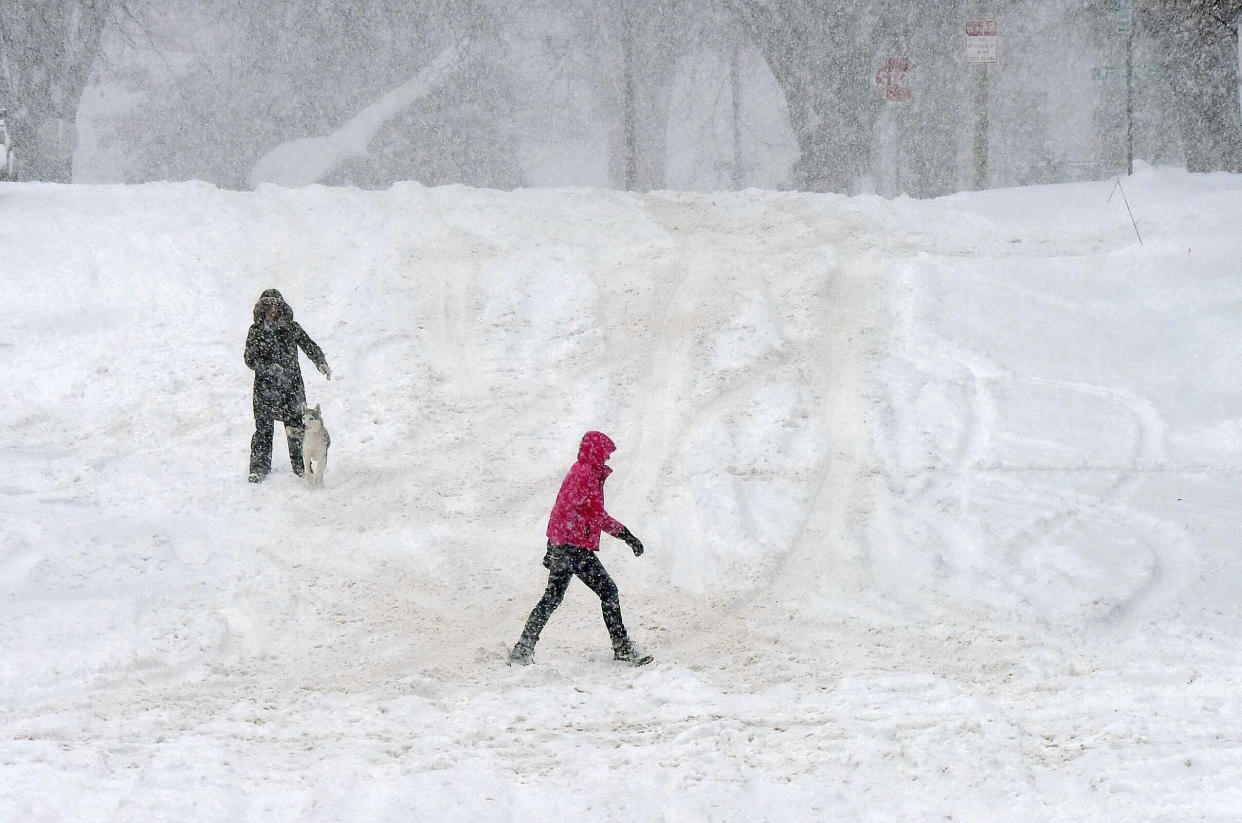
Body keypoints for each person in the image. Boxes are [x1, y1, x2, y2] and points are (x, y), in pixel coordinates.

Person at [510, 431, 649, 666]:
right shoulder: (584, 476)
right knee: (608, 592)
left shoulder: (582, 472)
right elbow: (595, 516)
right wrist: (627, 536)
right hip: (573, 548)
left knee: (552, 597)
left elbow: (562, 510)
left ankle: (523, 648)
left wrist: (552, 544)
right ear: (596, 452)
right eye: (605, 453)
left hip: (565, 545)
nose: (607, 458)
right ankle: (622, 646)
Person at [244, 288, 331, 483]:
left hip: (291, 389)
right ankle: (259, 468)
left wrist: (320, 361)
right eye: (269, 305)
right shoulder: (255, 330)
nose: (273, 309)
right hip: (264, 390)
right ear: (263, 308)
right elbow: (249, 359)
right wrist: (268, 368)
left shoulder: (292, 327)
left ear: (281, 307)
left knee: (297, 429)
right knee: (263, 430)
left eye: (276, 305)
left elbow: (309, 345)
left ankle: (301, 467)